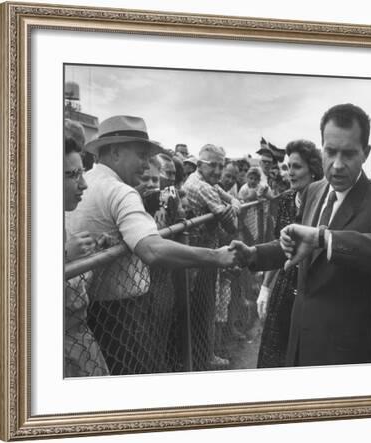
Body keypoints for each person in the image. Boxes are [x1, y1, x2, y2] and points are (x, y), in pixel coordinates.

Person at [231, 103, 371, 367]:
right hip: (298, 342)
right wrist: (254, 254)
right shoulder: (314, 191)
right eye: (330, 152)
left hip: (343, 354)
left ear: (365, 153)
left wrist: (325, 238)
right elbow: (297, 242)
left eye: (349, 154)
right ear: (322, 148)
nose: (337, 165)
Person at [66, 116, 240, 375]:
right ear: (114, 151)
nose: (147, 164)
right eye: (141, 155)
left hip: (89, 312)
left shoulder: (85, 182)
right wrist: (215, 256)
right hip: (123, 315)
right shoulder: (120, 191)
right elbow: (152, 248)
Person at [256, 139, 323, 368]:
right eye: (287, 167)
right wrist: (265, 288)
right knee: (274, 357)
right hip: (284, 288)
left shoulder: (325, 202)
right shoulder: (285, 200)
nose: (290, 172)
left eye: (297, 167)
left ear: (313, 169)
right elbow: (279, 248)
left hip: (312, 290)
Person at [182, 144, 242, 368]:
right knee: (204, 308)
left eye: (221, 165)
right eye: (213, 166)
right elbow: (232, 225)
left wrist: (231, 206)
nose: (218, 171)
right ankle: (204, 357)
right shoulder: (203, 187)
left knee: (204, 308)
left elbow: (233, 202)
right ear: (199, 165)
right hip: (201, 257)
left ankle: (201, 356)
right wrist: (232, 208)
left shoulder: (207, 183)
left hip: (202, 253)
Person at [63, 119, 109, 377]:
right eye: (73, 175)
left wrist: (90, 257)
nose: (84, 184)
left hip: (79, 339)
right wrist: (65, 254)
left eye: (82, 173)